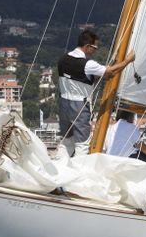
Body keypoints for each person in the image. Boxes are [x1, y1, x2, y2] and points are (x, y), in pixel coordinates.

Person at [56, 29, 136, 159]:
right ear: (87, 46)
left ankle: (58, 168)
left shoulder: (62, 59)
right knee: (82, 144)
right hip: (79, 106)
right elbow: (111, 72)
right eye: (94, 47)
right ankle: (79, 173)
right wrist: (128, 61)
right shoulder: (87, 64)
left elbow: (76, 77)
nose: (95, 51)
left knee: (66, 142)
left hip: (64, 104)